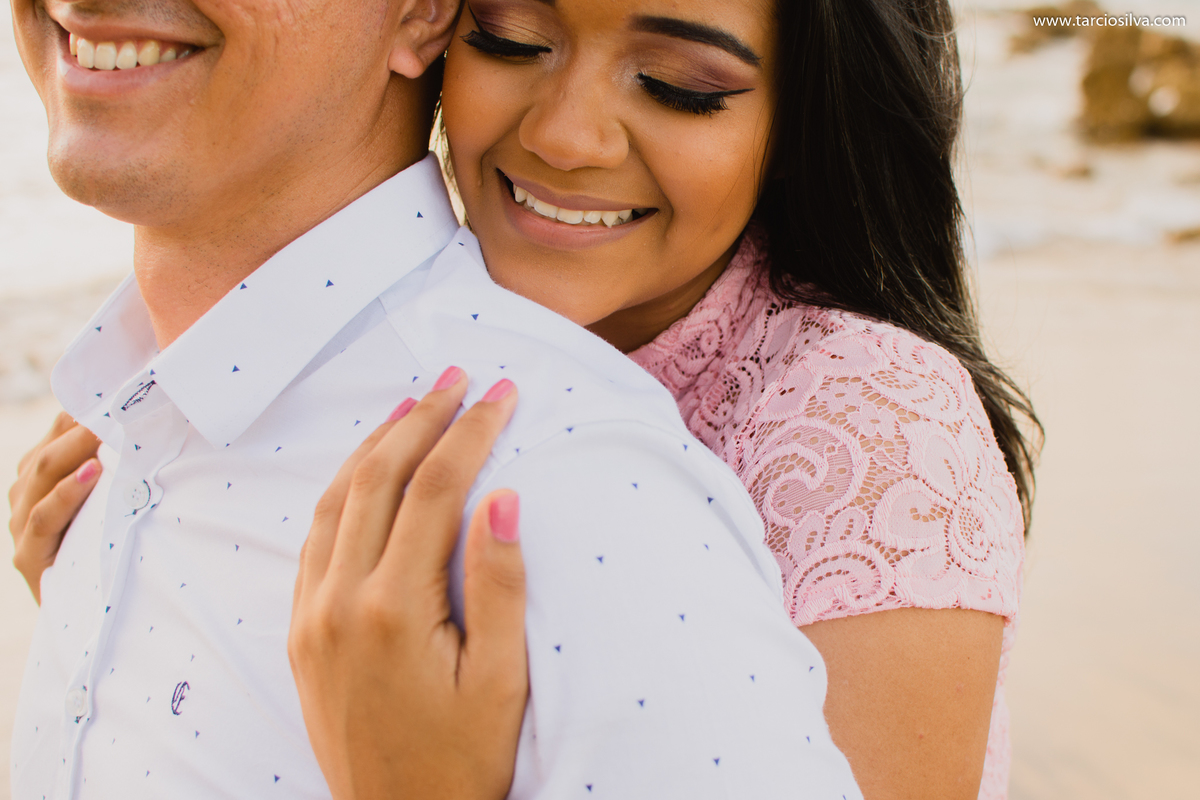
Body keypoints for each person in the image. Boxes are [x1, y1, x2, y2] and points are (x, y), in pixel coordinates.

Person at [10, 0, 1038, 799]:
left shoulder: (856, 424)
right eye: (507, 39)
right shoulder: (270, 373)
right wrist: (141, 553)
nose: (567, 137)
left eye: (679, 86)